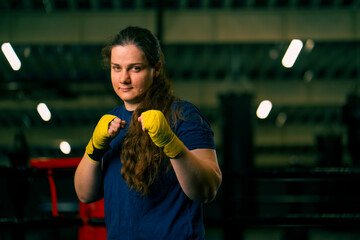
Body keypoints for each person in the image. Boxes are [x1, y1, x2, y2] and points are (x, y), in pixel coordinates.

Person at [74, 26, 222, 240]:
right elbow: (84, 194)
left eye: (135, 68)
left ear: (157, 68)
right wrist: (94, 149)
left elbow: (207, 190)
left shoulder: (183, 115)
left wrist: (171, 144)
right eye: (116, 68)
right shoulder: (111, 122)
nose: (123, 78)